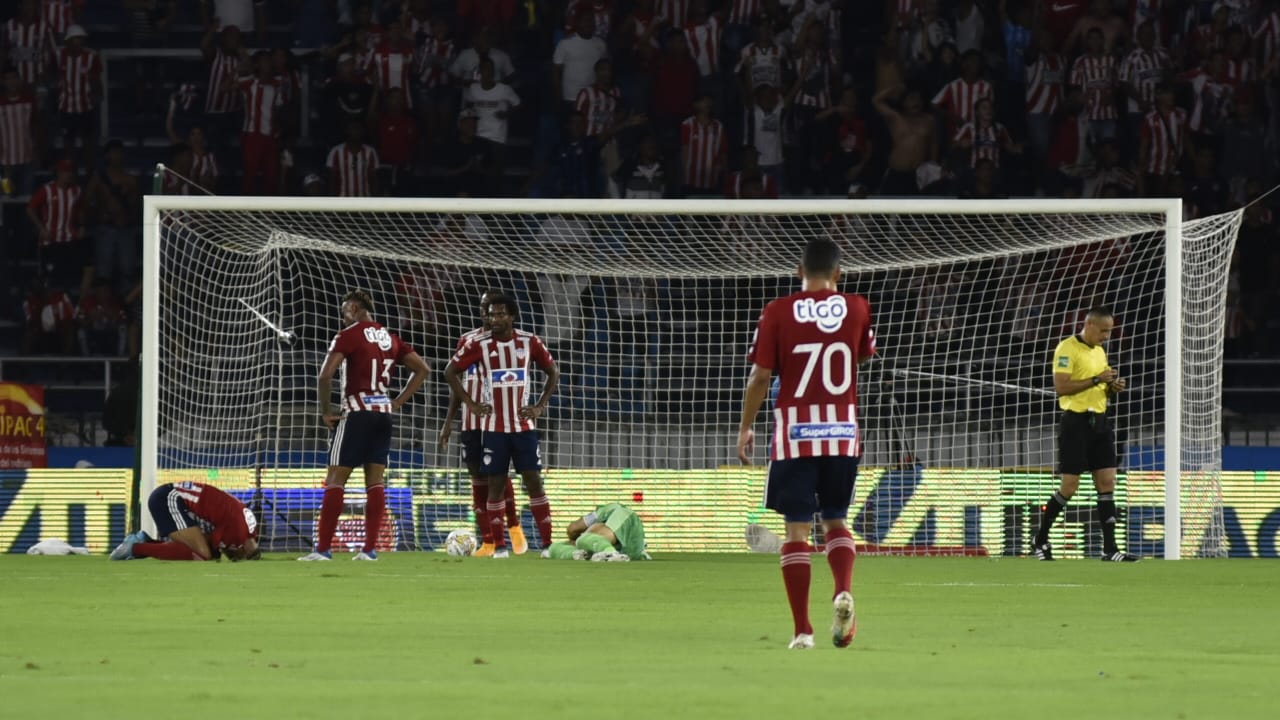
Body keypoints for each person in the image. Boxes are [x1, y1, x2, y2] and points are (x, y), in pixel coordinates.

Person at [736, 237, 876, 650]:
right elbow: (860, 355)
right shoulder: (858, 306)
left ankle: (803, 630)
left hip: (795, 434)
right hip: (842, 433)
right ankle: (843, 589)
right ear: (838, 273)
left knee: (797, 531)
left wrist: (746, 426)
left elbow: (761, 377)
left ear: (799, 272)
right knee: (835, 518)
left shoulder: (777, 311)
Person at [299, 290, 430, 561]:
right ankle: (369, 550)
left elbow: (325, 376)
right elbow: (423, 370)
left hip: (357, 411)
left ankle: (323, 550)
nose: (343, 317)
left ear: (355, 308)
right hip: (383, 413)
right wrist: (397, 402)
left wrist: (326, 412)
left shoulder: (349, 335)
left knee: (336, 477)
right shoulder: (390, 338)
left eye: (344, 311)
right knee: (375, 480)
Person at [444, 294, 560, 559]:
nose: (494, 319)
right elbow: (449, 371)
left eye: (500, 314)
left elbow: (553, 370)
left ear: (511, 316)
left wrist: (539, 406)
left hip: (524, 427)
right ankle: (499, 547)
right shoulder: (477, 343)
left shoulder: (529, 341)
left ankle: (547, 545)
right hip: (493, 428)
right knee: (494, 484)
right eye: (490, 314)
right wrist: (472, 405)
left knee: (534, 482)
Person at [1031, 307, 1139, 562]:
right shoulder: (1067, 349)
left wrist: (1112, 387)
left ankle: (1110, 549)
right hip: (1075, 423)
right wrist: (1095, 380)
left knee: (1107, 482)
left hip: (1100, 421)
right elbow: (1061, 387)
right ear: (1088, 325)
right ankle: (1040, 540)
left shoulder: (1099, 352)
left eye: (1109, 331)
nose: (1106, 336)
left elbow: (1100, 387)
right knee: (1069, 486)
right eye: (1103, 330)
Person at [439, 289, 525, 557]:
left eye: (493, 308)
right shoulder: (467, 340)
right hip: (471, 420)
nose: (488, 313)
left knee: (499, 476)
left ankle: (514, 529)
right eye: (484, 307)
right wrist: (448, 421)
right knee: (477, 478)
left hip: (498, 420)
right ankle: (488, 540)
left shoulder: (513, 342)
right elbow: (456, 381)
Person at [110, 481, 260, 561]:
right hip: (169, 498)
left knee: (205, 551)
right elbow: (212, 546)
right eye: (238, 557)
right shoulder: (238, 533)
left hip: (173, 496)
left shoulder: (250, 527)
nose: (233, 558)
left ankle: (145, 541)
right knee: (203, 554)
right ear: (243, 550)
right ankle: (134, 548)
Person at [542, 503, 647, 561]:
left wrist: (575, 537)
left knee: (582, 540)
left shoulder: (605, 510)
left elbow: (572, 528)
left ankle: (610, 553)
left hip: (625, 519)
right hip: (631, 549)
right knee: (553, 547)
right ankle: (578, 554)